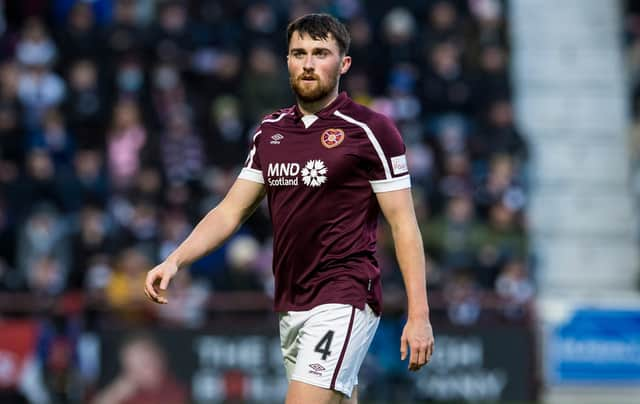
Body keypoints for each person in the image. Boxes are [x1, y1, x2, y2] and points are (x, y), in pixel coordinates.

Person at [144, 13, 434, 404]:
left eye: (320, 53)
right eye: (299, 53)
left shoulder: (370, 130)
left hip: (345, 294)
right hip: (291, 300)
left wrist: (419, 314)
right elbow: (229, 211)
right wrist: (175, 260)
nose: (309, 63)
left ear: (343, 63)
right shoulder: (271, 131)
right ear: (287, 61)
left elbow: (403, 224)